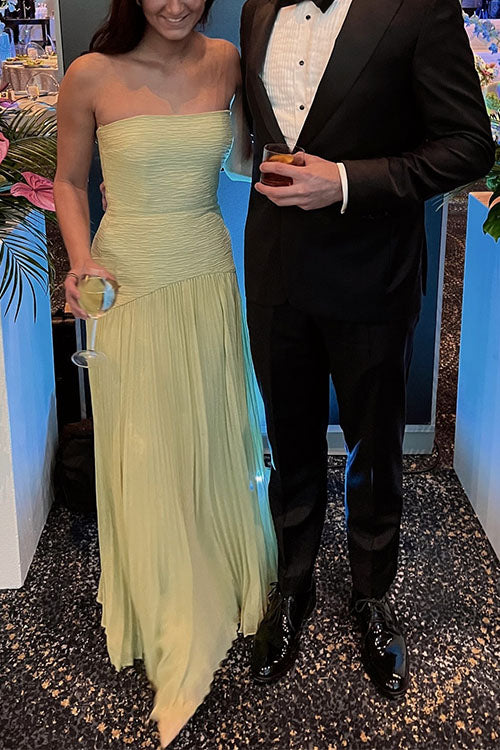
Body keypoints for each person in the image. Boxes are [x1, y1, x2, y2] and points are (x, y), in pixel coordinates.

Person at [240, 0, 495, 698]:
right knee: (288, 441)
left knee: (376, 451)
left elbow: (469, 145)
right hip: (275, 272)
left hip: (375, 273)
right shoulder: (258, 9)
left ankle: (372, 595)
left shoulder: (419, 9)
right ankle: (293, 586)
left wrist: (348, 181)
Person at [53, 1, 276, 746]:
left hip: (207, 269)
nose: (175, 4)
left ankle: (214, 566)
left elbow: (241, 161)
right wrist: (82, 260)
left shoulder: (227, 62)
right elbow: (69, 183)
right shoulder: (90, 74)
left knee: (208, 428)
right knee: (145, 443)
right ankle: (167, 601)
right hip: (128, 280)